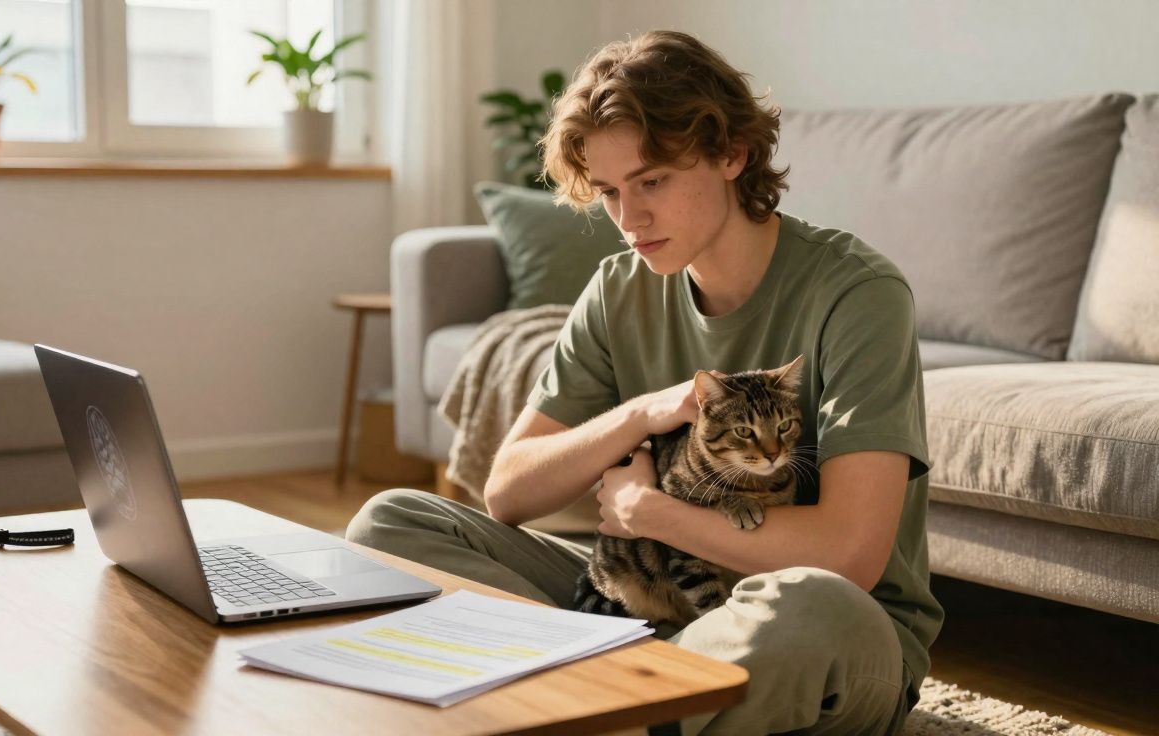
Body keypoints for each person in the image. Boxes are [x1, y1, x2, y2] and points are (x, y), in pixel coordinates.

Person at [347, 29, 943, 735]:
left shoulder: (858, 293)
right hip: (652, 611)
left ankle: (580, 698)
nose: (629, 221)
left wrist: (649, 513)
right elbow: (507, 490)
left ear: (732, 153)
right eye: (608, 193)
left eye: (652, 181)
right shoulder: (618, 288)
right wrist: (640, 414)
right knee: (391, 524)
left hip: (825, 636)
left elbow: (851, 555)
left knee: (813, 606)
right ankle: (625, 700)